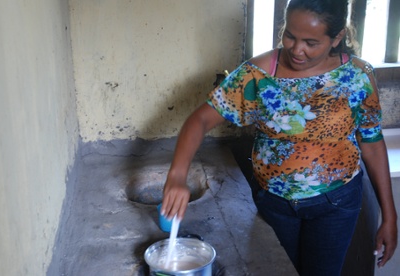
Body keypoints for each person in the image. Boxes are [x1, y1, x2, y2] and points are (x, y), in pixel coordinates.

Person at [159, 0, 397, 275]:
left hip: (336, 203)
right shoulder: (258, 75)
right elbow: (200, 119)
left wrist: (389, 216)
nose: (297, 50)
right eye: (290, 36)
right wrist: (177, 176)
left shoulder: (358, 76)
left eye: (311, 42)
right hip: (273, 202)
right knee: (275, 270)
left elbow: (372, 142)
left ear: (337, 38)